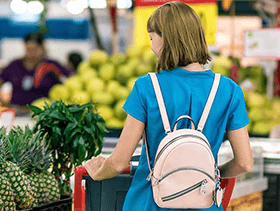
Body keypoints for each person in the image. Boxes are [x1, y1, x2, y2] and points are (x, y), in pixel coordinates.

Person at [84, 2, 254, 211]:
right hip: (204, 202)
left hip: (148, 203)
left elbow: (119, 162)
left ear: (166, 39)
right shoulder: (229, 90)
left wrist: (97, 171)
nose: (152, 46)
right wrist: (208, 173)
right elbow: (245, 163)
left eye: (152, 38)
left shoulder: (147, 87)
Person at [0, 32, 73, 114]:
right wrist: (3, 101)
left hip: (44, 114)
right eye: (28, 49)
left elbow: (71, 81)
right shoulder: (15, 65)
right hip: (17, 112)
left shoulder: (51, 66)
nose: (31, 53)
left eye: (34, 49)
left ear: (42, 48)